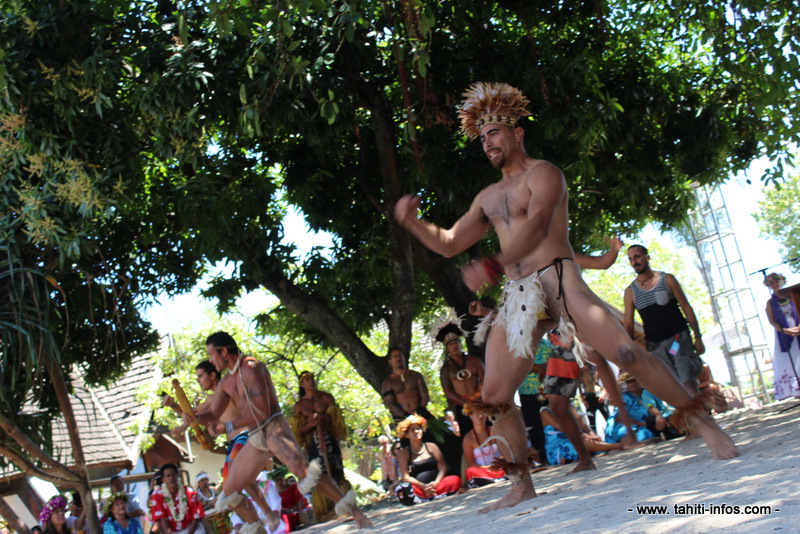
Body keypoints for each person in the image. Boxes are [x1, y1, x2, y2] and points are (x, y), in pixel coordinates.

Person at [394, 81, 738, 512]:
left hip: (559, 277)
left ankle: (702, 422)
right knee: (495, 398)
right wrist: (414, 223)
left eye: (494, 132)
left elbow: (538, 226)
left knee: (625, 354)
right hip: (520, 294)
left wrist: (493, 265)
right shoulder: (488, 197)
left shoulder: (544, 174)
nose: (487, 142)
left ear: (517, 132)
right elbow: (448, 242)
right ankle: (521, 483)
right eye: (482, 137)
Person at [197, 331, 371, 532]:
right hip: (255, 437)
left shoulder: (252, 368)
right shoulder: (227, 382)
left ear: (224, 351)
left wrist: (227, 426)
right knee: (228, 491)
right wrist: (191, 419)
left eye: (211, 354)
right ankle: (261, 526)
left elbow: (262, 412)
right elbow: (211, 412)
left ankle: (357, 514)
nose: (210, 360)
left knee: (304, 472)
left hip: (273, 426)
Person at [623, 244, 705, 395]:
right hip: (655, 346)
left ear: (647, 257)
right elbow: (628, 325)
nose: (634, 262)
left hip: (678, 338)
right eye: (631, 259)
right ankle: (695, 416)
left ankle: (703, 417)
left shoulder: (667, 279)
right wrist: (631, 352)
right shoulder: (630, 292)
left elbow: (686, 307)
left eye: (638, 256)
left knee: (688, 385)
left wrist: (698, 337)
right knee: (676, 390)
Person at [290, 371, 351, 522]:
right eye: (307, 380)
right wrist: (310, 425)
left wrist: (322, 418)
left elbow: (337, 421)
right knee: (318, 475)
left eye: (312, 379)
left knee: (337, 472)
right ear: (301, 384)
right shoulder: (299, 406)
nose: (311, 382)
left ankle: (346, 506)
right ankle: (326, 510)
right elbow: (298, 432)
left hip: (329, 439)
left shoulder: (326, 398)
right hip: (313, 444)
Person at [393, 414, 461, 505]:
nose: (416, 432)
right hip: (420, 488)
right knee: (403, 489)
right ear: (407, 435)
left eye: (418, 428)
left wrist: (436, 483)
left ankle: (432, 495)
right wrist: (423, 486)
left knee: (454, 479)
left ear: (422, 430)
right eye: (412, 430)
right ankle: (429, 496)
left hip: (437, 485)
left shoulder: (431, 446)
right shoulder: (404, 453)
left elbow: (442, 468)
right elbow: (405, 477)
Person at [436, 320, 485, 437]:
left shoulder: (474, 360)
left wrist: (477, 398)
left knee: (486, 430)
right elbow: (448, 392)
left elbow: (484, 380)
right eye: (451, 344)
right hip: (461, 405)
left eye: (456, 342)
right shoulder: (446, 369)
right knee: (469, 435)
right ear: (447, 349)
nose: (455, 346)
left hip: (479, 402)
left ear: (460, 344)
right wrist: (464, 403)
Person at [540, 405, 623, 466]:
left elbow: (582, 425)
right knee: (581, 441)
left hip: (573, 439)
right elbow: (564, 428)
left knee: (588, 440)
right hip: (556, 448)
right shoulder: (545, 412)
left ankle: (610, 446)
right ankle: (618, 446)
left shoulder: (569, 406)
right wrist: (583, 435)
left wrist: (592, 434)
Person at [764, 272, 800, 399]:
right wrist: (785, 330)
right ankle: (795, 389)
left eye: (776, 282)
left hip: (798, 327)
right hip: (784, 333)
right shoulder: (770, 303)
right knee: (790, 359)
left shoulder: (792, 296)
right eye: (771, 283)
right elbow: (772, 321)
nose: (774, 284)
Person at [381, 347, 434, 422]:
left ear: (404, 358)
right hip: (402, 418)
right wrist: (405, 415)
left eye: (400, 356)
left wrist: (420, 410)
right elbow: (390, 403)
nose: (398, 359)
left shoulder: (416, 376)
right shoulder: (388, 382)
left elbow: (425, 395)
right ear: (390, 361)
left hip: (421, 414)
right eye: (395, 357)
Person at [149, 464, 205, 534]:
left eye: (173, 475)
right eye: (168, 476)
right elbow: (162, 519)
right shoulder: (157, 495)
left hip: (191, 529)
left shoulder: (189, 492)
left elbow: (196, 517)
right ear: (163, 480)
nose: (171, 478)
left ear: (177, 476)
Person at [461, 411, 508, 487]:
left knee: (508, 465)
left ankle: (496, 478)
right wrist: (486, 468)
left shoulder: (494, 430)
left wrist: (497, 465)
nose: (480, 416)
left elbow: (504, 453)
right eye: (476, 414)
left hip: (498, 467)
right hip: (482, 470)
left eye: (482, 413)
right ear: (470, 416)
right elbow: (470, 463)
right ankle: (494, 479)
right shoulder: (468, 438)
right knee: (470, 471)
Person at [272, 466, 309, 532]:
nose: (279, 482)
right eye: (277, 481)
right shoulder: (274, 491)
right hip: (282, 513)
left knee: (285, 518)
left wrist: (290, 510)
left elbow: (299, 504)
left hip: (294, 512)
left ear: (284, 479)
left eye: (280, 479)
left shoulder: (293, 487)